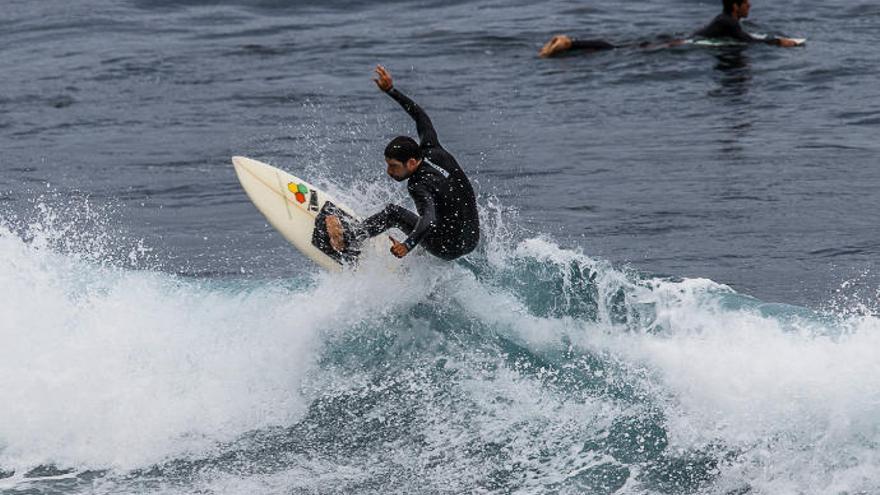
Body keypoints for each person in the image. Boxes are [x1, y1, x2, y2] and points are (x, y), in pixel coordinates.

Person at [324, 65, 480, 261]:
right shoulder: (433, 149)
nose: (389, 172)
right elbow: (420, 115)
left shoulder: (418, 184)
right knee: (447, 205)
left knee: (393, 213)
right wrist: (391, 91)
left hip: (448, 248)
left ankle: (347, 240)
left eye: (394, 167)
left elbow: (429, 218)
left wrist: (407, 245)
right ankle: (426, 243)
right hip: (472, 239)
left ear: (413, 162)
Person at [539, 0, 800, 58]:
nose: (750, 5)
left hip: (679, 41)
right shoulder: (728, 22)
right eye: (746, 3)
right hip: (678, 44)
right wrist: (778, 43)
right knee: (620, 49)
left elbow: (745, 37)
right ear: (735, 6)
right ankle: (569, 43)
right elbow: (747, 42)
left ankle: (571, 44)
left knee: (622, 48)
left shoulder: (727, 20)